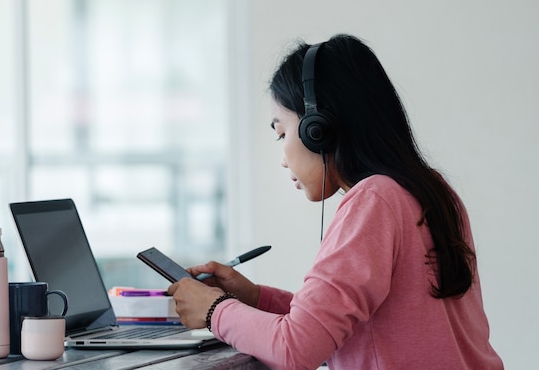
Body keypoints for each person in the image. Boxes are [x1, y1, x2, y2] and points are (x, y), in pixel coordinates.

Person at [167, 34, 504, 370]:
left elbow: (295, 349)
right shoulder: (434, 192)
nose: (283, 159)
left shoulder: (374, 202)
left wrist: (214, 310)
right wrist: (255, 298)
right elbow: (348, 324)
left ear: (319, 128)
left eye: (282, 133)